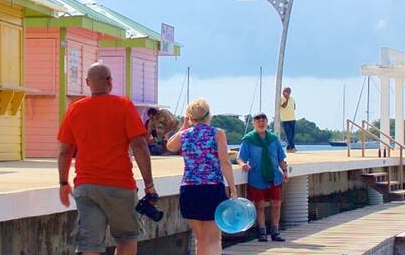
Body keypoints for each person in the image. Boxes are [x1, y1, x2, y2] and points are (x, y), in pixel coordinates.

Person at [58, 64, 156, 255]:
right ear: (110, 81)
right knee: (126, 238)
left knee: (89, 245)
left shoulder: (75, 109)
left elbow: (64, 150)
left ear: (87, 83)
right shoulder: (124, 105)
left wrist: (63, 182)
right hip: (119, 185)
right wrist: (149, 184)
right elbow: (139, 145)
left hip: (86, 186)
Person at [167, 99, 236, 255]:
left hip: (189, 189)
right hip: (212, 188)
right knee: (214, 238)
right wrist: (233, 190)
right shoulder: (217, 133)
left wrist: (184, 126)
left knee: (201, 239)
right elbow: (225, 163)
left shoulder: (184, 134)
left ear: (190, 117)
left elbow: (170, 146)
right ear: (208, 115)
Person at [239, 113, 291, 242]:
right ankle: (262, 232)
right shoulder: (248, 139)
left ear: (267, 122)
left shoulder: (274, 139)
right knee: (260, 206)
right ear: (253, 123)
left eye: (263, 120)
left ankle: (275, 232)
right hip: (257, 177)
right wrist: (242, 164)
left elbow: (281, 158)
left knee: (276, 204)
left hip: (274, 176)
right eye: (258, 120)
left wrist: (285, 171)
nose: (261, 122)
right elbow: (240, 157)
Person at [277, 87, 298, 152]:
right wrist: (286, 99)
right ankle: (292, 147)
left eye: (289, 91)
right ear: (283, 91)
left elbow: (294, 107)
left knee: (292, 135)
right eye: (287, 91)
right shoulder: (281, 98)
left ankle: (288, 148)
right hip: (285, 119)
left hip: (293, 118)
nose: (288, 93)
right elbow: (283, 106)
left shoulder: (292, 98)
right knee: (289, 134)